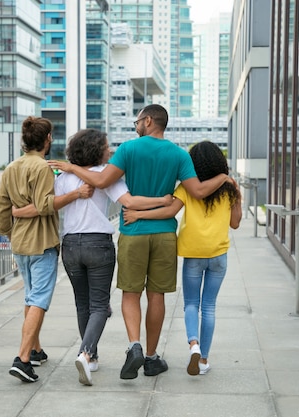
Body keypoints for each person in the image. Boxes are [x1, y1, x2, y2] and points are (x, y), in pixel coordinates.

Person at [48, 104, 232, 380]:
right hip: (164, 235)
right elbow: (198, 190)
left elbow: (100, 180)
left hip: (133, 231)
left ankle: (134, 344)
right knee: (156, 295)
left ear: (148, 121)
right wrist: (223, 176)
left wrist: (71, 167)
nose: (135, 126)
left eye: (137, 121)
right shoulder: (179, 155)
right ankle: (151, 356)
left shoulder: (128, 150)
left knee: (130, 293)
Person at [12, 128, 173, 386]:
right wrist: (163, 201)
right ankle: (85, 354)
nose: (109, 150)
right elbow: (129, 202)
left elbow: (46, 203)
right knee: (99, 305)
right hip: (98, 244)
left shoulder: (62, 176)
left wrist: (17, 211)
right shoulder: (105, 175)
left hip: (71, 245)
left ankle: (92, 356)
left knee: (82, 303)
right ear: (96, 150)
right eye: (106, 146)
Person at [123, 140, 241, 375]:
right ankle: (204, 359)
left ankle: (193, 343)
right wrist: (236, 193)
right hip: (218, 255)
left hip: (193, 254)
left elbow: (168, 211)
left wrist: (138, 215)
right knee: (209, 307)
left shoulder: (187, 188)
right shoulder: (230, 188)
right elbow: (235, 223)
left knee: (190, 304)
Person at [0, 116, 93, 383]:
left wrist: (9, 230)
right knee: (39, 300)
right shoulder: (42, 168)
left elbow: (2, 209)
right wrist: (76, 194)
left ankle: (36, 350)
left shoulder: (11, 167)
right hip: (42, 243)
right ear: (47, 139)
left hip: (20, 244)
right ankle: (22, 358)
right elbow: (44, 204)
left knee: (30, 297)